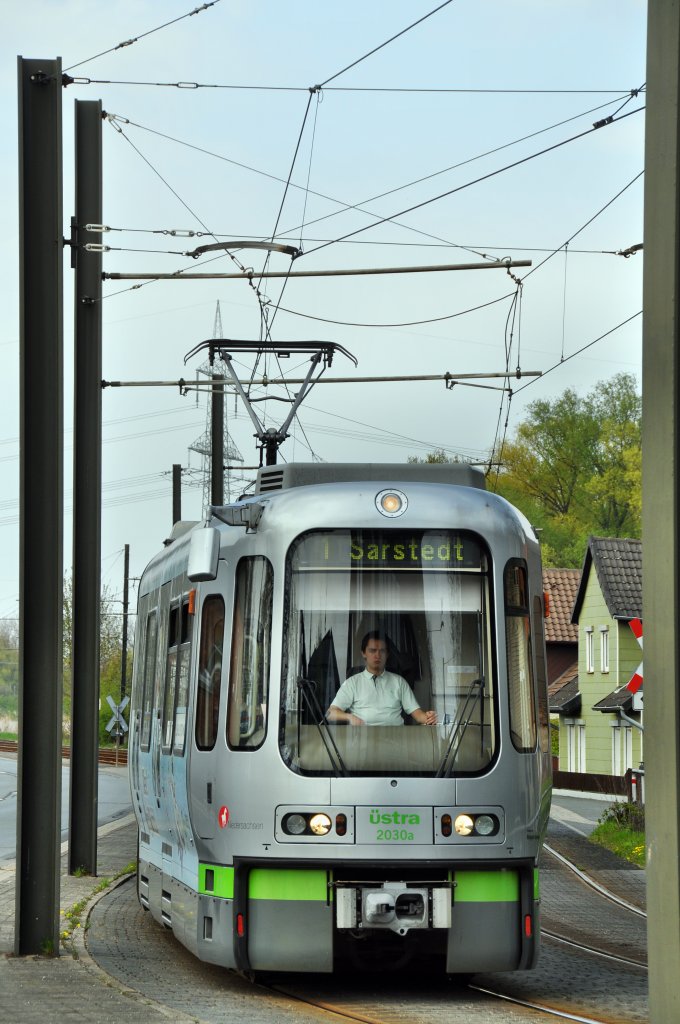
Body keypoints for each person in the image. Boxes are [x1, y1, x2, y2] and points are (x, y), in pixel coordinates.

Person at [326, 630, 437, 726]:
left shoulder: (399, 682)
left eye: (382, 651)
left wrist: (428, 717)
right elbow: (331, 714)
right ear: (364, 653)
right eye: (372, 650)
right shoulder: (352, 683)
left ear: (387, 654)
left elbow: (418, 715)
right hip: (362, 741)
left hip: (395, 740)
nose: (377, 655)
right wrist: (349, 717)